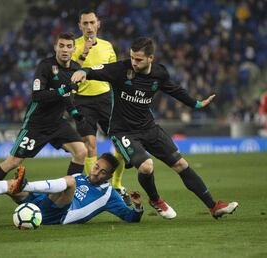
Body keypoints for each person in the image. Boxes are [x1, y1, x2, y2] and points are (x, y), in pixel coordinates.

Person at [71, 37, 239, 219]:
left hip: (149, 128)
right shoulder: (121, 69)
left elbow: (175, 90)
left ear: (151, 58)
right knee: (146, 166)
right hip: (123, 131)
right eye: (132, 58)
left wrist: (197, 104)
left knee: (181, 164)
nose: (134, 63)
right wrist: (82, 71)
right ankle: (155, 199)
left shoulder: (159, 74)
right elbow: (96, 70)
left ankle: (214, 206)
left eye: (139, 59)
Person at [0, 32, 87, 215]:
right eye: (61, 46)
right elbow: (37, 95)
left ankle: (69, 197)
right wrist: (64, 89)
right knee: (13, 162)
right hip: (36, 124)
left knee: (81, 152)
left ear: (73, 49)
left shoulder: (74, 69)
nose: (65, 49)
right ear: (55, 47)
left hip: (57, 123)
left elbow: (66, 97)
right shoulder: (45, 66)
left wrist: (74, 113)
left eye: (68, 46)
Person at [0, 153, 144, 224]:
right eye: (96, 167)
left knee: (70, 182)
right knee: (10, 187)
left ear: (109, 177)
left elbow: (130, 218)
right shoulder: (82, 176)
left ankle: (26, 184)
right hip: (42, 202)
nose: (95, 173)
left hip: (59, 216)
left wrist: (137, 207)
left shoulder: (109, 194)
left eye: (102, 172)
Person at [71, 8, 130, 204]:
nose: (89, 27)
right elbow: (69, 76)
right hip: (82, 101)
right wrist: (84, 53)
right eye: (85, 23)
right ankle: (95, 188)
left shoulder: (107, 47)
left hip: (105, 99)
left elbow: (115, 75)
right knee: (90, 145)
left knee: (119, 145)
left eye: (91, 23)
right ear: (80, 26)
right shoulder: (73, 47)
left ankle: (116, 184)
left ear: (98, 24)